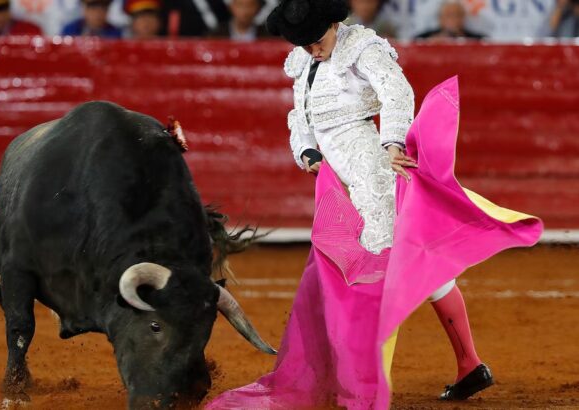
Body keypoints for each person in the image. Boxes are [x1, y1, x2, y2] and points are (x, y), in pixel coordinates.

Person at [205, 0, 542, 408]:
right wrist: (306, 153)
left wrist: (393, 141)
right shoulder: (303, 59)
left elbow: (396, 91)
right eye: (304, 43)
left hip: (371, 172)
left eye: (316, 40)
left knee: (375, 275)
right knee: (409, 267)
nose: (312, 49)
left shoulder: (363, 46)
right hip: (336, 183)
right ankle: (469, 365)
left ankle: (368, 388)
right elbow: (301, 118)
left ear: (334, 23)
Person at [415, 0, 485, 40]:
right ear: (440, 18)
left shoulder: (477, 39)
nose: (453, 19)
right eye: (448, 15)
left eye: (457, 15)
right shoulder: (424, 38)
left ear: (463, 18)